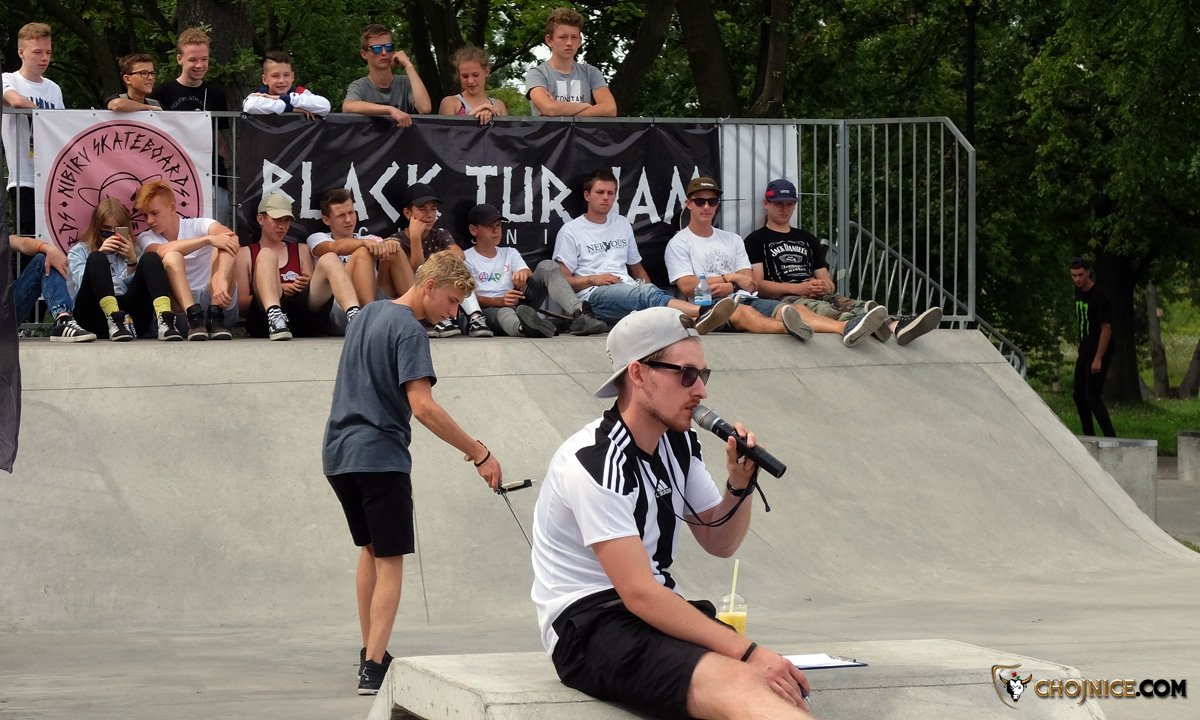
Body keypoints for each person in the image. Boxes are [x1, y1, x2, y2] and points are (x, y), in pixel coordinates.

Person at [531, 306, 812, 720]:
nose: (701, 391)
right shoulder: (596, 461)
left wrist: (739, 483)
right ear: (638, 373)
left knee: (772, 685)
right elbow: (638, 592)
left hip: (649, 612)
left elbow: (718, 540)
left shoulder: (677, 443)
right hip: (590, 625)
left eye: (703, 375)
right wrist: (750, 652)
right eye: (686, 375)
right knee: (744, 681)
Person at [323, 250, 503, 695]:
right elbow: (422, 407)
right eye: (452, 300)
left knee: (370, 551)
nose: (453, 312)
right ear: (429, 286)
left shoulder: (368, 314)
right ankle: (373, 667)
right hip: (380, 456)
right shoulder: (410, 330)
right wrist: (478, 452)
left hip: (338, 454)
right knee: (390, 560)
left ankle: (372, 650)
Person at [666, 176, 887, 346]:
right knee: (750, 315)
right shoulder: (679, 242)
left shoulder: (732, 239)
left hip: (744, 297)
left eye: (712, 201)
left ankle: (845, 327)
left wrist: (730, 284)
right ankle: (793, 329)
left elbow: (750, 282)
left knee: (789, 309)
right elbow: (687, 286)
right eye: (700, 201)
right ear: (689, 204)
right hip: (709, 307)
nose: (706, 206)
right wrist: (730, 278)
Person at [745, 178, 941, 346]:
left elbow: (829, 283)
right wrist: (798, 289)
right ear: (766, 204)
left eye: (790, 204)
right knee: (824, 310)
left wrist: (824, 286)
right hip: (787, 298)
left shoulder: (807, 239)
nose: (785, 208)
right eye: (779, 203)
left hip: (818, 293)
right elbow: (758, 286)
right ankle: (872, 326)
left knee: (862, 305)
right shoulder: (755, 240)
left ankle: (895, 326)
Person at [553, 169, 737, 333]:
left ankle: (696, 321)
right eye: (600, 192)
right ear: (587, 195)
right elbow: (562, 282)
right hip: (593, 295)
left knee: (650, 305)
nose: (606, 198)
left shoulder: (621, 223)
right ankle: (704, 312)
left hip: (629, 289)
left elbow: (637, 268)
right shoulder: (571, 231)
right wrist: (593, 279)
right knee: (647, 298)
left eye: (610, 193)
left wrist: (651, 289)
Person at [462, 203, 606, 337]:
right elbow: (467, 298)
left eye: (498, 225)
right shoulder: (465, 258)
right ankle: (525, 328)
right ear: (473, 230)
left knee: (547, 266)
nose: (496, 230)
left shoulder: (510, 252)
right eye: (489, 226)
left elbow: (527, 273)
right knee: (504, 312)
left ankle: (579, 315)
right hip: (488, 312)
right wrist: (499, 301)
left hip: (521, 306)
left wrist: (522, 274)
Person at [234, 192, 360, 340]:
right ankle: (275, 317)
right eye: (276, 219)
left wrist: (306, 283)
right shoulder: (245, 253)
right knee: (266, 254)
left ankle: (355, 316)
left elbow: (314, 292)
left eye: (286, 220)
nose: (282, 226)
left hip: (305, 318)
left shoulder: (301, 249)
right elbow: (242, 306)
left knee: (330, 258)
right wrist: (277, 288)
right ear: (260, 219)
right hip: (264, 321)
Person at [134, 180, 239, 340]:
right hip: (182, 314)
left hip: (217, 300)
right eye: (145, 215)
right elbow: (161, 251)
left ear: (172, 208)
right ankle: (195, 318)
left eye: (154, 213)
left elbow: (231, 238)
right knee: (172, 256)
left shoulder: (198, 224)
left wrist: (223, 279)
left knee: (225, 244)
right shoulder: (145, 237)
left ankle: (215, 315)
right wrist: (207, 240)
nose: (149, 221)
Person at [149, 28, 232, 225]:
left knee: (217, 231)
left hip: (212, 178)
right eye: (193, 59)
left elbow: (220, 138)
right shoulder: (161, 93)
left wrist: (224, 169)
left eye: (204, 59)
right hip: (171, 177)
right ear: (179, 59)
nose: (199, 65)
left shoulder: (217, 95)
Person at [66, 197, 180, 341]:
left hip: (129, 319)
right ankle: (114, 319)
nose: (112, 237)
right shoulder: (79, 251)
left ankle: (165, 320)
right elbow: (82, 285)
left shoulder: (134, 250)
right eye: (106, 231)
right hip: (94, 316)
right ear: (96, 229)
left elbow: (137, 291)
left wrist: (132, 261)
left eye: (117, 232)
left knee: (151, 258)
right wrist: (101, 255)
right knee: (96, 258)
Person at [392, 183, 491, 338]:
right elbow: (417, 271)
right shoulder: (396, 240)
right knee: (423, 271)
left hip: (440, 292)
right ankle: (431, 320)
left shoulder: (440, 234)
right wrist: (415, 239)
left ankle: (475, 317)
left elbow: (459, 255)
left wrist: (440, 265)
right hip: (414, 298)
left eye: (433, 209)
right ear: (407, 213)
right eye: (422, 209)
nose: (429, 215)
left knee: (458, 267)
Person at [3, 22, 64, 235]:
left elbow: (62, 126)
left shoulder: (54, 88)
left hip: (52, 176)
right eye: (38, 52)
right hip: (24, 178)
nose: (44, 58)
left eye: (48, 52)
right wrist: (43, 116)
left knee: (53, 235)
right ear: (21, 52)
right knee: (26, 236)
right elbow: (15, 100)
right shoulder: (9, 79)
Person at [306, 187, 409, 310]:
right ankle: (368, 317)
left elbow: (384, 246)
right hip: (338, 303)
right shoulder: (317, 238)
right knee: (362, 251)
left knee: (393, 250)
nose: (348, 220)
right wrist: (364, 243)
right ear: (326, 220)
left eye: (351, 212)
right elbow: (336, 247)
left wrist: (391, 243)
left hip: (373, 296)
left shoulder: (370, 238)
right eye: (341, 215)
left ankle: (416, 310)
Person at [524, 7, 616, 117]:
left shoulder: (591, 72)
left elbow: (609, 109)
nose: (569, 43)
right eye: (563, 37)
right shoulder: (537, 73)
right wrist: (586, 106)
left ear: (580, 41)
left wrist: (561, 111)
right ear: (549, 40)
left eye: (574, 37)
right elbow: (549, 109)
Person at [342, 23, 432, 128]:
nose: (384, 52)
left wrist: (408, 65)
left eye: (389, 47)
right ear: (364, 54)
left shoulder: (405, 82)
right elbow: (348, 106)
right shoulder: (359, 85)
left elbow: (425, 108)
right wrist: (390, 110)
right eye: (377, 48)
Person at [9, 234, 94, 342]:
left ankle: (63, 319)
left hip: (5, 313)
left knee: (46, 258)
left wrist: (48, 248)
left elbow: (21, 243)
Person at [1070, 258, 1116, 437]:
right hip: (1085, 351)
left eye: (1080, 275)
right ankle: (1088, 435)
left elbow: (1106, 328)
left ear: (1088, 272)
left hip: (1099, 352)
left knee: (1092, 397)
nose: (1077, 279)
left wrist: (1098, 358)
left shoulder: (1099, 297)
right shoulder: (1079, 292)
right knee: (1078, 396)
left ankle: (1111, 437)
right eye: (1074, 275)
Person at [242, 51, 331, 117]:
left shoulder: (300, 92)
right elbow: (250, 106)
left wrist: (281, 98)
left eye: (286, 75)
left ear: (292, 77)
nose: (281, 80)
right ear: (264, 79)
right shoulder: (259, 95)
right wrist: (291, 109)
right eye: (275, 76)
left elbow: (325, 106)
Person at [438, 45, 508, 125]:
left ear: (487, 72)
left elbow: (506, 132)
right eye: (465, 76)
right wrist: (473, 115)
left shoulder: (499, 105)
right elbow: (446, 132)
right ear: (459, 76)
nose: (470, 81)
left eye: (475, 75)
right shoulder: (450, 103)